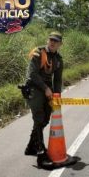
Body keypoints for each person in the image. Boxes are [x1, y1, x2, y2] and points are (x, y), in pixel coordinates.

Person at [24, 31, 63, 166]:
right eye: (51, 40)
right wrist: (45, 88)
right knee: (39, 118)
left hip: (48, 90)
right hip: (35, 89)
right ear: (48, 40)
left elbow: (57, 80)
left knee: (45, 119)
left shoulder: (58, 59)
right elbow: (32, 74)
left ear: (60, 44)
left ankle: (31, 147)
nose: (52, 42)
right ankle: (41, 155)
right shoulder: (38, 53)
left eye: (56, 41)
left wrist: (57, 96)